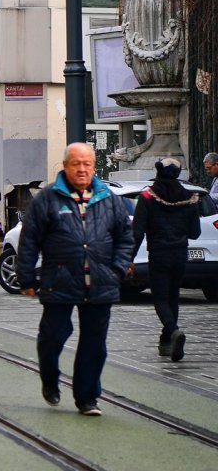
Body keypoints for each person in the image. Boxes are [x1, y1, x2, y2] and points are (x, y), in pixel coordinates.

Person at [18, 142, 133, 417]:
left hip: (101, 282)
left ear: (93, 167)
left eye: (87, 164)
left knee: (94, 344)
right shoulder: (47, 198)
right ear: (66, 166)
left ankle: (87, 398)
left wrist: (116, 270)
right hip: (59, 279)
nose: (82, 169)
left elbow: (125, 238)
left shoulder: (109, 198)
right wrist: (26, 278)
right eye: (76, 164)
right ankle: (50, 377)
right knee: (52, 337)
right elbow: (30, 239)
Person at [132, 158, 202, 362]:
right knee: (173, 296)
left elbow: (137, 232)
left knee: (160, 298)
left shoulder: (147, 196)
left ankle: (173, 330)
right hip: (180, 254)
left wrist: (129, 259)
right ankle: (166, 342)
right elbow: (195, 233)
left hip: (158, 254)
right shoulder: (189, 198)